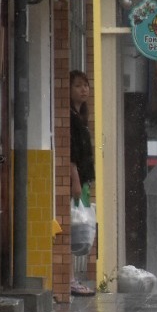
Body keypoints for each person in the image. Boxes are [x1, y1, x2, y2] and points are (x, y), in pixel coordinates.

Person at [69, 70, 96, 296]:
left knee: (79, 227)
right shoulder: (70, 119)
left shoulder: (80, 117)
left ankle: (72, 277)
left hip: (83, 181)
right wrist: (76, 181)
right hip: (75, 182)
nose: (84, 89)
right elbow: (72, 155)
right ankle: (68, 279)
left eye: (86, 85)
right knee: (71, 227)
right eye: (78, 85)